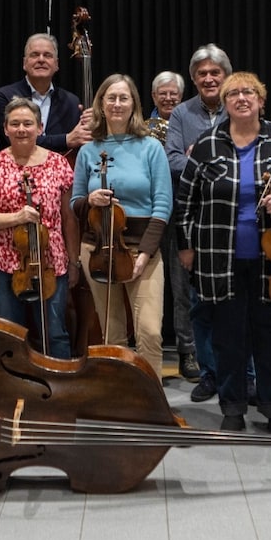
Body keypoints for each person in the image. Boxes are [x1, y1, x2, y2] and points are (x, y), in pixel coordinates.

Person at [175, 71, 271, 432]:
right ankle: (232, 408)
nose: (241, 98)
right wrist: (185, 246)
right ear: (225, 103)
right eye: (233, 93)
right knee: (228, 338)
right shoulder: (206, 145)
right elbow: (185, 202)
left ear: (261, 100)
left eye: (249, 91)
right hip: (219, 260)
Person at [72, 74, 173, 374]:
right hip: (99, 249)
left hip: (143, 251)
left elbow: (163, 203)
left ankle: (151, 402)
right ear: (101, 103)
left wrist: (144, 253)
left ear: (134, 105)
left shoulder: (150, 147)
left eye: (123, 98)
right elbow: (74, 202)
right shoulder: (89, 150)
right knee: (110, 333)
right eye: (111, 98)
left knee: (150, 333)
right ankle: (118, 397)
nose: (117, 104)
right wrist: (90, 199)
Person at [0, 97, 79, 358]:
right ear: (5, 128)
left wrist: (74, 261)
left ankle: (59, 388)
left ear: (40, 128)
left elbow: (68, 217)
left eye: (28, 123)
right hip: (4, 261)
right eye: (15, 124)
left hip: (51, 261)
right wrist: (16, 218)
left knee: (54, 331)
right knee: (10, 331)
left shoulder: (58, 163)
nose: (22, 129)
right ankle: (15, 388)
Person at [165, 43, 231, 402]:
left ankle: (235, 370)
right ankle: (202, 367)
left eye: (214, 72)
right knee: (191, 298)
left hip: (233, 221)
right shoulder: (180, 114)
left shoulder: (237, 104)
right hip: (191, 217)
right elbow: (172, 159)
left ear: (225, 75)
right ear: (193, 78)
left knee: (232, 301)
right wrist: (215, 164)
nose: (208, 78)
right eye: (202, 73)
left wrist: (198, 157)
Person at [148, 71, 200, 381]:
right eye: (162, 93)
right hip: (152, 215)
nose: (168, 98)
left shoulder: (189, 123)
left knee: (183, 289)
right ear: (153, 97)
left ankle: (187, 351)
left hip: (183, 212)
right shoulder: (141, 127)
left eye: (173, 93)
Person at [0, 33, 92, 152]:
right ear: (24, 63)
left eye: (47, 55)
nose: (41, 59)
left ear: (56, 64)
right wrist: (66, 140)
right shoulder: (4, 96)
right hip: (15, 167)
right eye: (34, 55)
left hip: (58, 169)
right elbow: (17, 141)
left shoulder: (71, 102)